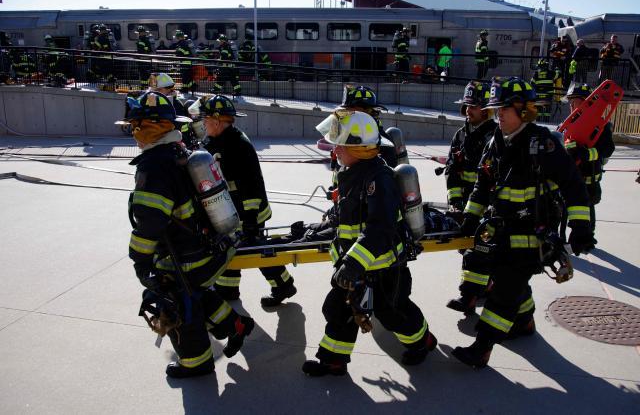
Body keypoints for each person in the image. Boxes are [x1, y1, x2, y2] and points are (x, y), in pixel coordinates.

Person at [451, 77, 594, 369]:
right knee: (512, 282)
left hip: (531, 236)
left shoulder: (544, 145)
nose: (498, 114)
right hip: (500, 230)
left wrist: (581, 228)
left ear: (524, 111)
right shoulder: (496, 142)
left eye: (504, 109)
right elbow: (482, 185)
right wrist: (469, 218)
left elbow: (574, 186)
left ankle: (482, 348)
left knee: (503, 290)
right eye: (496, 109)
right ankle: (525, 320)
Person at [126, 91, 254, 378]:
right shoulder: (180, 153)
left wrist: (140, 260)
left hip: (182, 257)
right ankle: (237, 325)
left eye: (135, 127)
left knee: (178, 306)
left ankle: (196, 363)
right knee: (195, 293)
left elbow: (150, 223)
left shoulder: (153, 167)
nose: (134, 134)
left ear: (143, 127)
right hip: (205, 249)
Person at [302, 111, 437, 376]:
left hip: (384, 268)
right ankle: (333, 361)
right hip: (354, 265)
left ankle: (422, 342)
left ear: (359, 147)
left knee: (393, 313)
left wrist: (353, 262)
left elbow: (381, 228)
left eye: (340, 143)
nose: (336, 149)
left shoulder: (379, 179)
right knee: (338, 310)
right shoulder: (349, 174)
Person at [198, 95, 297, 306]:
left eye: (205, 120)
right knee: (235, 250)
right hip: (230, 210)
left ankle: (284, 286)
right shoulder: (213, 141)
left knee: (256, 251)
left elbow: (251, 184)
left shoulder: (238, 145)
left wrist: (251, 219)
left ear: (217, 122)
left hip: (247, 212)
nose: (203, 124)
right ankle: (229, 290)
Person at [444, 81, 498, 315]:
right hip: (466, 202)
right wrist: (455, 202)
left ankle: (471, 295)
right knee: (467, 247)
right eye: (466, 106)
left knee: (480, 250)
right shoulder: (461, 134)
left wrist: (486, 208)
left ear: (486, 109)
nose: (468, 111)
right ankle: (481, 288)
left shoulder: (496, 136)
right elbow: (451, 170)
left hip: (487, 205)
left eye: (473, 106)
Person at [562, 83, 615, 242]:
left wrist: (586, 154)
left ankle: (587, 238)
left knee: (587, 208)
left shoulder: (601, 125)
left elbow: (608, 149)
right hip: (570, 178)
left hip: (589, 179)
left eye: (575, 100)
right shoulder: (568, 124)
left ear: (588, 102)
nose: (571, 105)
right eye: (570, 101)